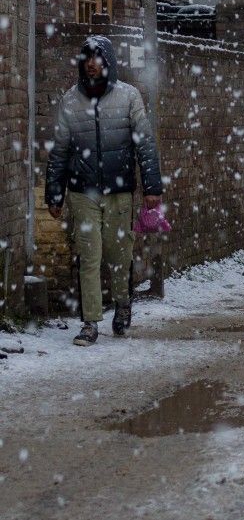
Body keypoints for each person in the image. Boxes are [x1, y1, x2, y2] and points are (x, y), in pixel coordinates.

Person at [45, 35, 162, 346]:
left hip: (119, 191)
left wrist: (152, 186)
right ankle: (90, 322)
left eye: (97, 58)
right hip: (82, 192)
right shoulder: (70, 101)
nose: (92, 64)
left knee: (119, 255)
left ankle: (123, 305)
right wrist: (54, 192)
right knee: (89, 256)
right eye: (87, 58)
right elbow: (59, 151)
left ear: (108, 62)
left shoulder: (129, 97)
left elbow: (145, 144)